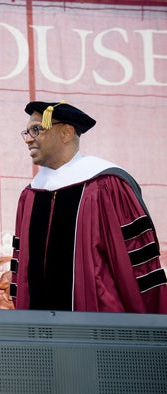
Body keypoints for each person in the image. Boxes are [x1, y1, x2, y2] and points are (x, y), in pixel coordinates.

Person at [11, 100, 167, 312]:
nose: (29, 139)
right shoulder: (31, 195)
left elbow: (138, 263)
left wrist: (149, 323)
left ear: (66, 133)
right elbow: (20, 270)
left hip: (101, 329)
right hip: (41, 333)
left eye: (36, 129)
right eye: (27, 132)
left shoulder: (107, 185)